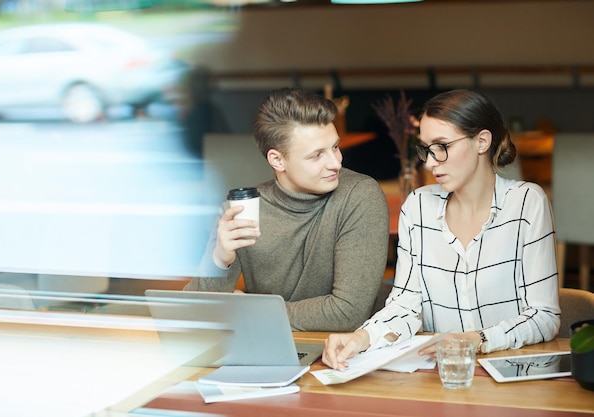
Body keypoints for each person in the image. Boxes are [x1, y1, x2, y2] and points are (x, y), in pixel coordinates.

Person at [323, 89, 560, 370]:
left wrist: (479, 340)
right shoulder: (418, 206)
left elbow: (544, 316)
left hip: (513, 380)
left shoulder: (526, 203)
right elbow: (405, 306)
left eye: (442, 146)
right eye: (425, 148)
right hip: (444, 379)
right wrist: (361, 338)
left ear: (482, 141)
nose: (430, 161)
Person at [185, 87, 390, 332]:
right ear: (277, 160)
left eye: (335, 147)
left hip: (347, 353)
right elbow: (193, 313)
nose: (336, 163)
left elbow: (347, 313)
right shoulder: (241, 210)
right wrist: (219, 259)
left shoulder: (359, 195)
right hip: (274, 344)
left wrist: (250, 308)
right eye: (317, 155)